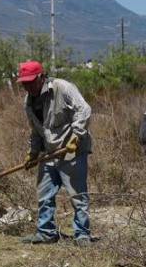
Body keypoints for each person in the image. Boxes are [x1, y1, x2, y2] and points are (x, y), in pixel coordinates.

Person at [17, 60, 93, 246]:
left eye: (31, 81)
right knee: (44, 195)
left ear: (42, 77)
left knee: (77, 196)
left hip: (71, 151)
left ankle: (82, 235)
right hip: (49, 153)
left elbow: (84, 110)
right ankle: (46, 233)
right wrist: (33, 153)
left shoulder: (62, 88)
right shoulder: (28, 102)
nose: (28, 86)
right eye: (24, 83)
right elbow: (36, 130)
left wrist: (76, 135)